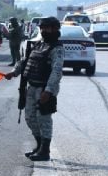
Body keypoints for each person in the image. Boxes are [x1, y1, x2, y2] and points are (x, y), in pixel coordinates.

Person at [5, 17, 64, 161]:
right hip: (32, 86)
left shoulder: (57, 48)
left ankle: (45, 151)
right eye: (42, 28)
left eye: (47, 28)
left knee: (43, 119)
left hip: (45, 88)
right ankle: (39, 146)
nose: (43, 31)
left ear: (55, 29)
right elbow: (24, 61)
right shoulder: (38, 45)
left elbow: (56, 71)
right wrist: (14, 72)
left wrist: (48, 91)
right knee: (30, 117)